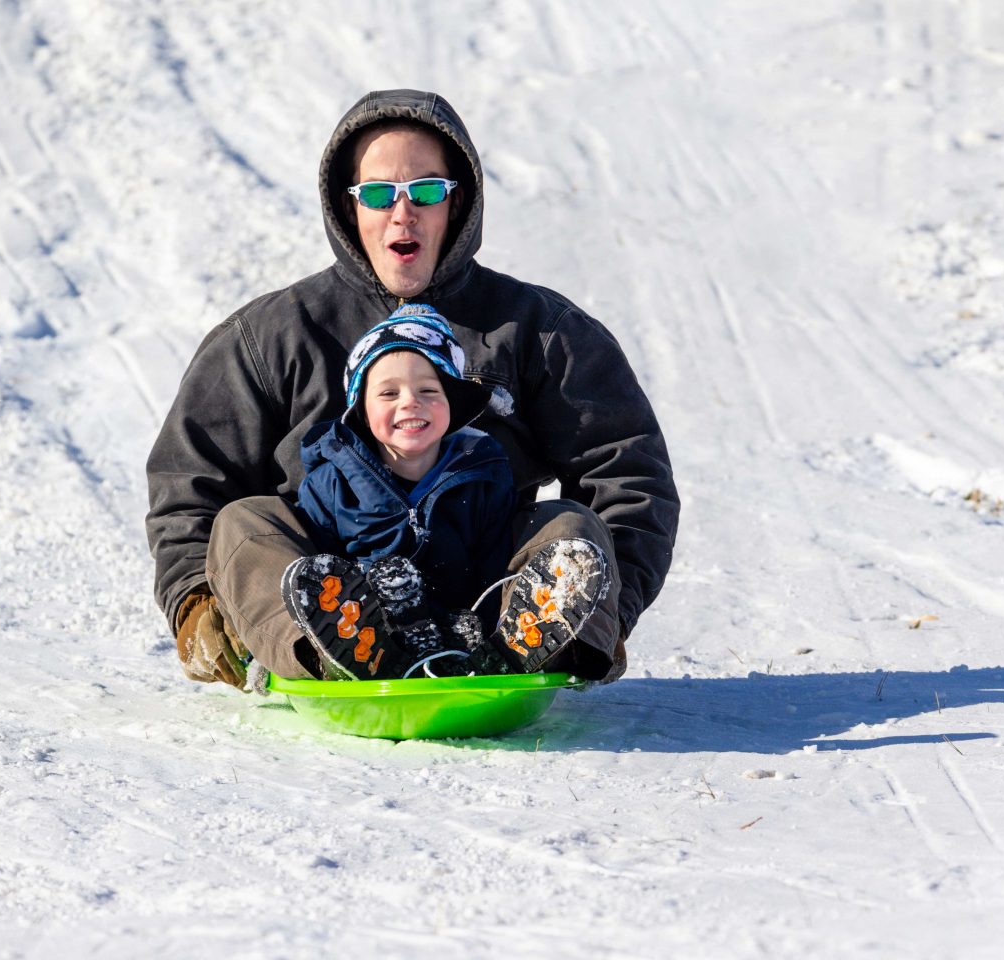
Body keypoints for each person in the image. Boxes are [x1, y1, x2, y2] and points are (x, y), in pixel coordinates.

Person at [146, 88, 679, 690]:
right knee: (244, 524)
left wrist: (610, 608)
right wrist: (197, 606)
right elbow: (192, 482)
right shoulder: (270, 337)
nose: (404, 214)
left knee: (569, 527)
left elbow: (627, 472)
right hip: (338, 594)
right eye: (379, 194)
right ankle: (332, 650)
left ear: (459, 204)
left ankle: (529, 648)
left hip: (488, 593)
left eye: (426, 191)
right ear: (350, 210)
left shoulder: (536, 330)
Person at [284, 302, 609, 681]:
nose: (410, 401)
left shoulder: (482, 473)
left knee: (568, 520)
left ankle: (513, 650)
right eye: (388, 394)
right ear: (360, 408)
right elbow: (318, 565)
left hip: (465, 626)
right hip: (367, 634)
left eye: (428, 389)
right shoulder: (331, 484)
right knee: (258, 525)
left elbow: (494, 564)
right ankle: (353, 655)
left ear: (451, 404)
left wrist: (479, 623)